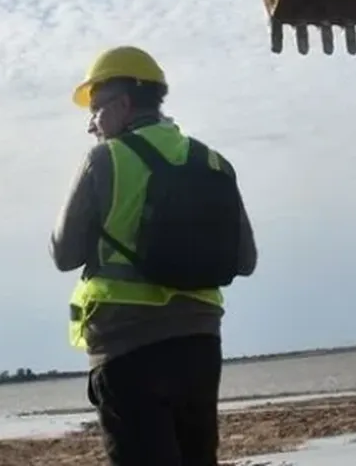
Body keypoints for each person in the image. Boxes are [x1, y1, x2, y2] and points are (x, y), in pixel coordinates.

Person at [51, 45, 259, 466]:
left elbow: (63, 252)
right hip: (201, 343)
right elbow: (246, 260)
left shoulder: (104, 159)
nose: (91, 123)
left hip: (126, 345)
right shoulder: (214, 162)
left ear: (124, 104)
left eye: (96, 109)